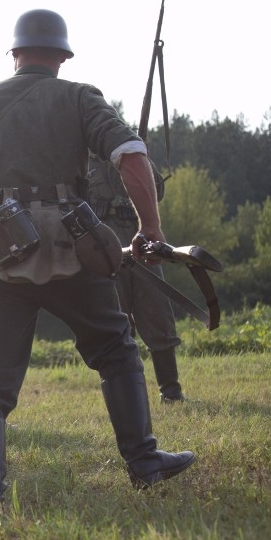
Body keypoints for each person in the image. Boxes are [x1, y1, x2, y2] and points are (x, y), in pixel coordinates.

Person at [0, 9, 195, 511]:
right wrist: (150, 231)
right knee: (114, 349)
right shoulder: (80, 97)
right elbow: (132, 157)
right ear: (63, 56)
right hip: (74, 250)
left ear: (15, 54)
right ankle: (145, 462)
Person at [86, 154, 185, 402]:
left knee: (159, 317)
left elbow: (158, 190)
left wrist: (145, 158)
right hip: (105, 252)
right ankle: (129, 397)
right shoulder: (80, 160)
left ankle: (171, 392)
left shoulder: (129, 155)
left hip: (142, 247)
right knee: (117, 327)